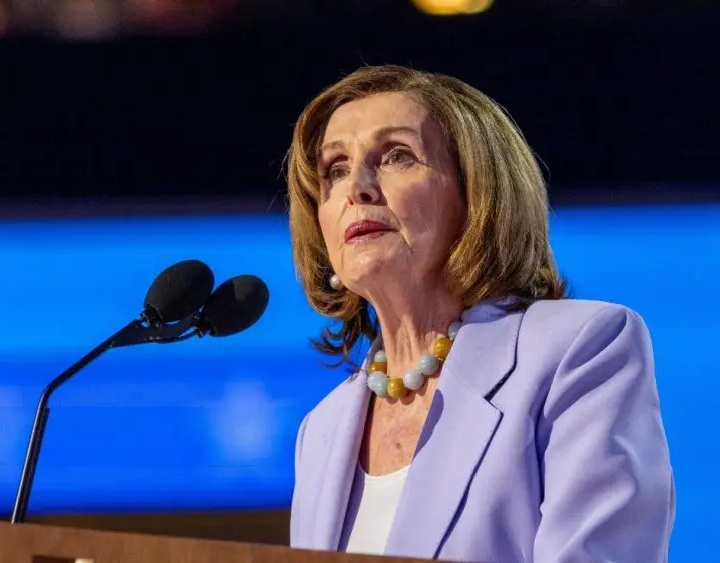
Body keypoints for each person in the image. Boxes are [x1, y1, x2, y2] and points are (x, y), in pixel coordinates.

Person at [285, 65, 675, 563]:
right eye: (335, 169)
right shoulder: (322, 429)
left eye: (397, 156)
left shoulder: (577, 351)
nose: (356, 187)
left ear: (478, 195)